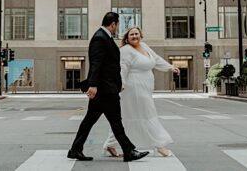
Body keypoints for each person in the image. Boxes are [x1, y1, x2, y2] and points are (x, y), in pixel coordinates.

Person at [68, 13, 150, 163]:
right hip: (105, 90)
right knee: (115, 121)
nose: (117, 28)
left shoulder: (104, 37)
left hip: (104, 89)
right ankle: (129, 150)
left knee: (90, 121)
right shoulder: (100, 38)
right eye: (117, 25)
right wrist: (93, 85)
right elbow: (96, 63)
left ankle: (75, 149)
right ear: (113, 24)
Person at [102, 27, 179, 158]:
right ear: (127, 38)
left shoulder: (144, 46)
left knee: (127, 117)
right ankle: (160, 146)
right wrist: (122, 84)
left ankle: (110, 145)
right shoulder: (125, 51)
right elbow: (122, 68)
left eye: (136, 33)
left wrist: (170, 67)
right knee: (148, 114)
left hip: (145, 88)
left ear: (141, 35)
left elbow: (156, 59)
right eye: (131, 34)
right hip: (133, 88)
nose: (134, 36)